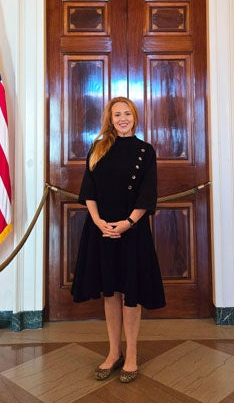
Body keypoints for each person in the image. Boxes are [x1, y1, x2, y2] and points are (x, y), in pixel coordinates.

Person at [71, 96, 166, 383]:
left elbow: (147, 194)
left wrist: (126, 224)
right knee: (109, 292)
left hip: (132, 231)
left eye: (127, 113)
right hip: (100, 230)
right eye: (117, 115)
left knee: (130, 293)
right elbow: (88, 190)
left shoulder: (146, 151)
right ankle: (114, 353)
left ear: (135, 117)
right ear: (110, 120)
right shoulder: (98, 147)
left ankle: (132, 355)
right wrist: (99, 221)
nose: (122, 118)